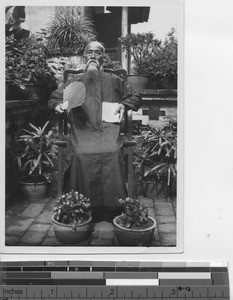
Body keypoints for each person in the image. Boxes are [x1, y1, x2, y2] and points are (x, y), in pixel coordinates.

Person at [48, 41, 142, 221]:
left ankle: (113, 207)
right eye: (89, 52)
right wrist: (59, 106)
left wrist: (124, 104)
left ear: (103, 57)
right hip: (83, 131)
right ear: (84, 56)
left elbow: (136, 95)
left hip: (108, 130)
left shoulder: (114, 80)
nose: (93, 56)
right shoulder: (75, 81)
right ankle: (81, 206)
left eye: (97, 53)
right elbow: (54, 98)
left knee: (113, 152)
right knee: (82, 153)